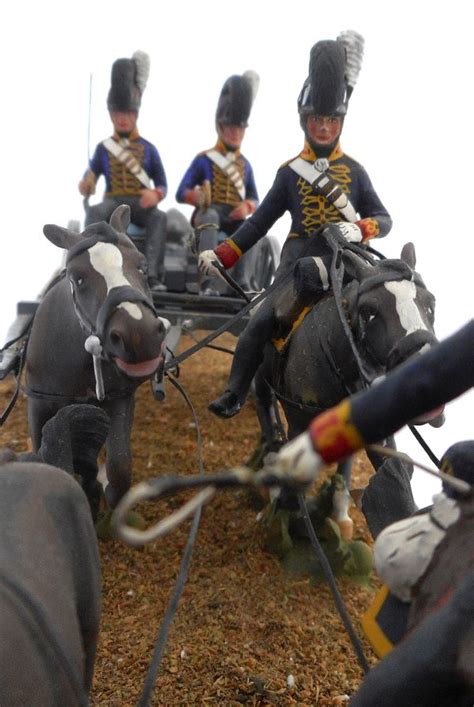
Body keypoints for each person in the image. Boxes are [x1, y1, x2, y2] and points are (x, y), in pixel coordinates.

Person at [202, 32, 392, 418]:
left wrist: (361, 228)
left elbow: (384, 218)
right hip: (299, 258)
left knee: (384, 312)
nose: (324, 127)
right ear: (305, 120)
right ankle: (236, 393)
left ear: (341, 122)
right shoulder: (289, 174)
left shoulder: (355, 171)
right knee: (261, 320)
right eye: (317, 119)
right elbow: (259, 223)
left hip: (348, 257)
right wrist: (222, 253)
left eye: (331, 120)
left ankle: (398, 390)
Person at [79, 51, 168, 292]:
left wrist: (156, 194)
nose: (122, 119)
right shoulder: (103, 148)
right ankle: (88, 266)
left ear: (135, 114)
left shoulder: (148, 149)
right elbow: (90, 177)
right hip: (113, 201)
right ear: (111, 115)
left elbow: (162, 183)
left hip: (140, 203)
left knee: (160, 218)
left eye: (127, 114)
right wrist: (86, 184)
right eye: (118, 114)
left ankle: (153, 276)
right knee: (96, 211)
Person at [176, 71, 260, 295]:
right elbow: (181, 191)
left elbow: (254, 197)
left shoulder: (246, 165)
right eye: (230, 128)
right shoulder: (204, 159)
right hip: (208, 212)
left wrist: (247, 207)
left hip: (234, 215)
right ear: (221, 128)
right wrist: (197, 197)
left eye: (239, 129)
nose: (235, 133)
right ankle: (208, 282)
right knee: (211, 217)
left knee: (252, 226)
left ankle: (242, 283)